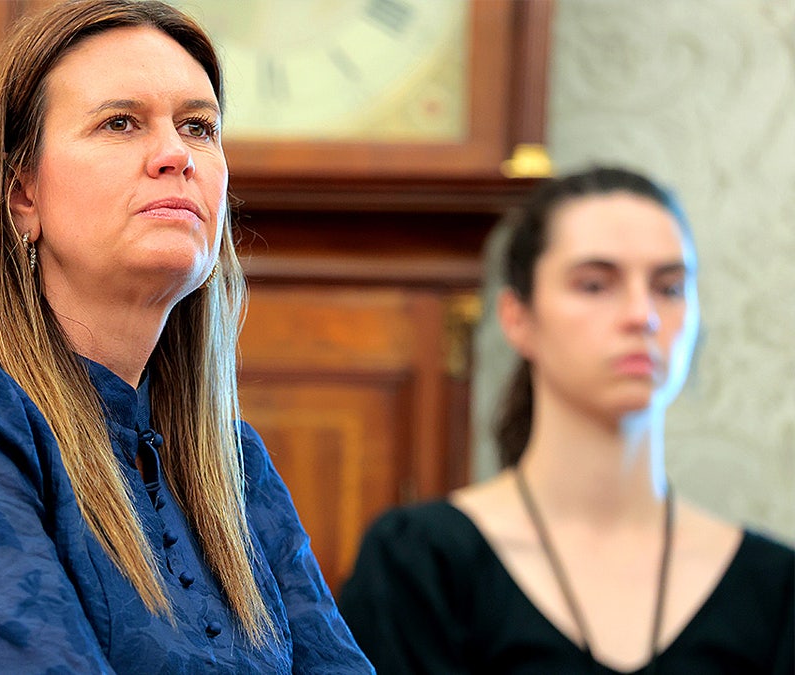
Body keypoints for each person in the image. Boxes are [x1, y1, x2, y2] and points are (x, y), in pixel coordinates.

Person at [0, 1, 372, 672]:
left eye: (199, 126)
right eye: (120, 122)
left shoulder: (236, 468)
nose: (174, 155)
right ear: (24, 194)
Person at [338, 166, 794, 674]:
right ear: (517, 318)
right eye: (596, 284)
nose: (642, 315)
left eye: (669, 288)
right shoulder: (421, 562)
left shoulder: (774, 584)